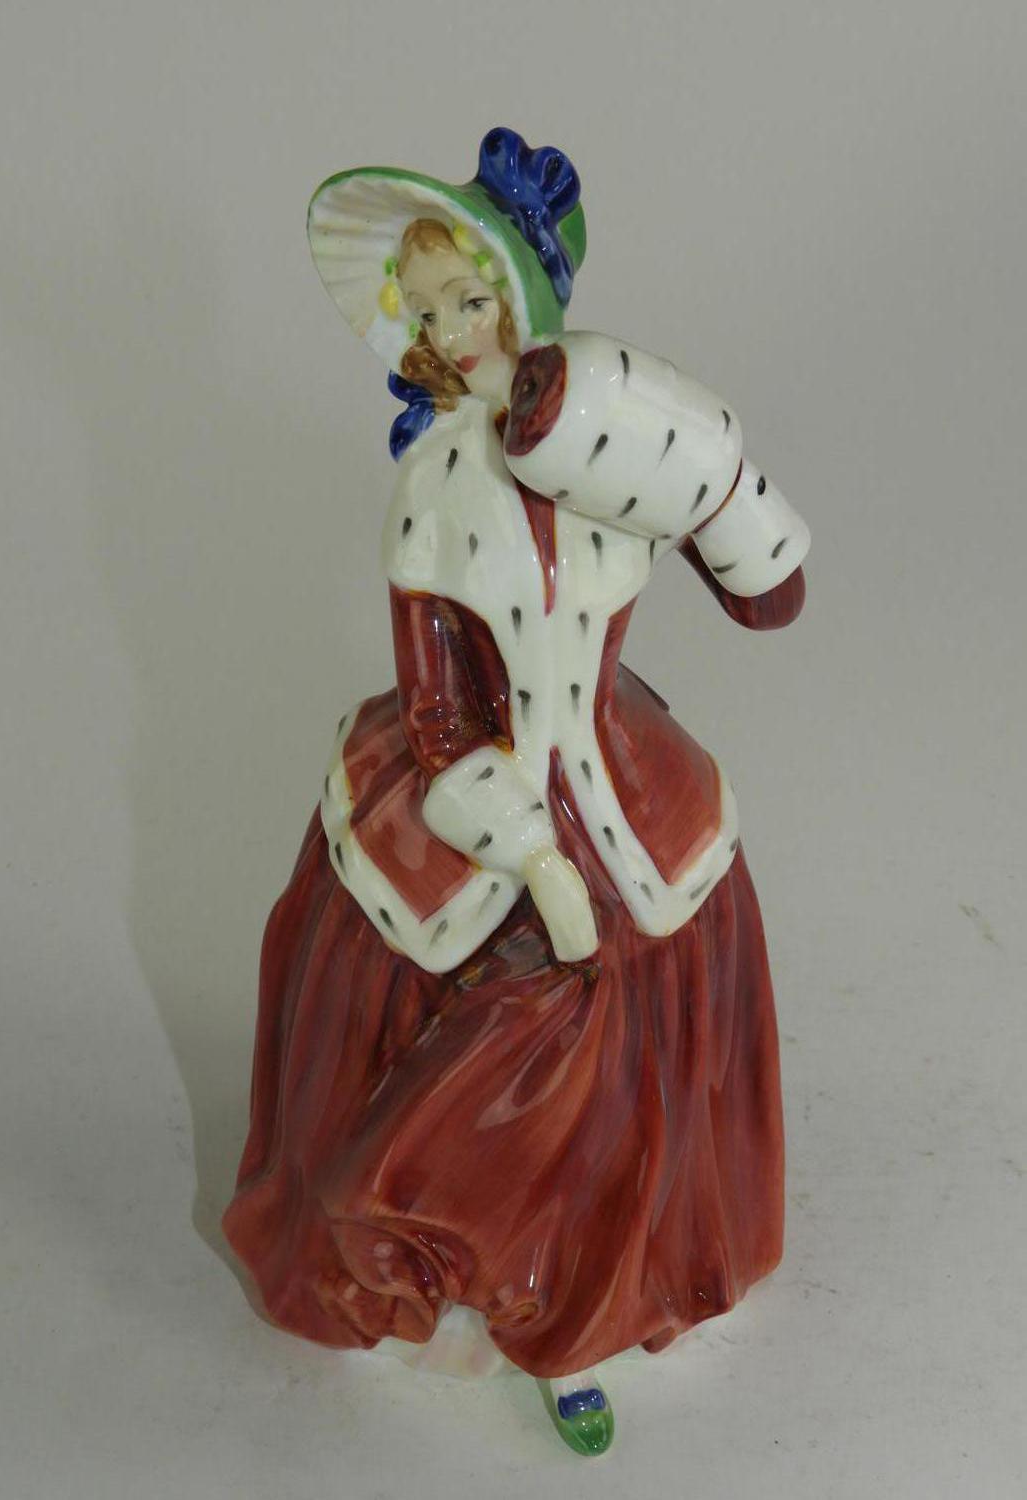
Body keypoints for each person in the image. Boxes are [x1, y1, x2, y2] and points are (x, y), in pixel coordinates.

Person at [222, 127, 809, 1458]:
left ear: (525, 302)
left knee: (629, 1020)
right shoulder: (434, 486)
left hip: (614, 774)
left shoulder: (609, 443)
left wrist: (731, 503)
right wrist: (536, 860)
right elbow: (437, 717)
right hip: (483, 796)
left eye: (470, 299)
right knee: (521, 1008)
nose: (448, 330)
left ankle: (580, 1313)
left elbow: (756, 573)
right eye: (427, 309)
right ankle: (476, 1269)